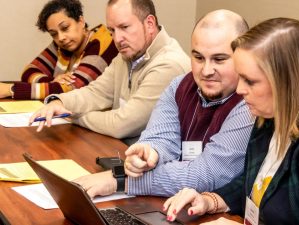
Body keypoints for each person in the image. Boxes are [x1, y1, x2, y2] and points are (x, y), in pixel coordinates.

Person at [163, 18, 299, 225]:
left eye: (250, 81)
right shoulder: (270, 116)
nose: (240, 90)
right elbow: (258, 184)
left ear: (286, 82)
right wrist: (210, 200)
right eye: (240, 78)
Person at [73, 9, 254, 198]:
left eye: (219, 59)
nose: (206, 70)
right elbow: (162, 138)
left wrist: (120, 181)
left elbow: (205, 174)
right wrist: (148, 153)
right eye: (198, 58)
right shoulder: (179, 86)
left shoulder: (248, 103)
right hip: (172, 203)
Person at [29, 0, 190, 143]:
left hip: (155, 166)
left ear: (149, 23)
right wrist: (59, 102)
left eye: (124, 27)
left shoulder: (169, 65)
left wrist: (70, 114)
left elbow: (122, 125)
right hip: (123, 152)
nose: (117, 39)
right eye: (112, 30)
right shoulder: (127, 54)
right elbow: (96, 92)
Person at [0, 0, 118, 100]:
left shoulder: (101, 43)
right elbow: (28, 72)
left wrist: (11, 90)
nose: (60, 38)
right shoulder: (64, 44)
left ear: (81, 21)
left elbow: (72, 89)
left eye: (65, 28)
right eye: (54, 34)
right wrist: (53, 81)